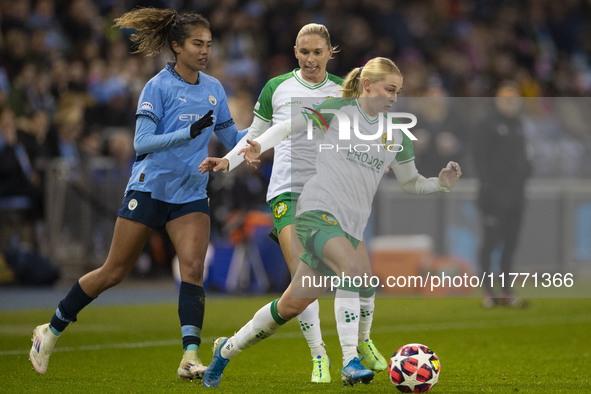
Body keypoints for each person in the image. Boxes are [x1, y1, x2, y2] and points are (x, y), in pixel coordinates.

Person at [199, 57, 462, 387]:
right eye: (389, 89)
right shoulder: (338, 110)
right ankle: (351, 359)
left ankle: (226, 349)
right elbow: (287, 127)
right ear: (367, 85)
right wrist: (256, 145)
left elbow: (411, 183)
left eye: (399, 92)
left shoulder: (396, 136)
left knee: (291, 304)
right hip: (315, 214)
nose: (395, 98)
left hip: (349, 226)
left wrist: (440, 183)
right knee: (353, 272)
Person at [29, 8, 246, 379]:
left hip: (191, 191)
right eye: (197, 43)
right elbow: (141, 141)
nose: (205, 51)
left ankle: (189, 356)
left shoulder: (214, 89)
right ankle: (50, 330)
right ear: (177, 46)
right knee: (114, 271)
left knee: (193, 269)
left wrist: (265, 139)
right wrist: (189, 133)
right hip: (149, 187)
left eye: (209, 44)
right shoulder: (156, 87)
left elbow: (232, 139)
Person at [201, 23, 388, 383]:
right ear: (295, 52)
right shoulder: (278, 88)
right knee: (305, 287)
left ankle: (357, 349)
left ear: (330, 53)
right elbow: (255, 136)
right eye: (304, 51)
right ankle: (320, 355)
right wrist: (229, 160)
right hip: (289, 191)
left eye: (318, 51)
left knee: (361, 273)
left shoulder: (342, 91)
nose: (310, 58)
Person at [473, 81, 531, 308]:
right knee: (490, 241)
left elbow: (526, 157)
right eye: (506, 99)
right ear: (497, 100)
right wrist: (488, 189)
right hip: (494, 195)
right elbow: (480, 159)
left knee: (511, 243)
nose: (510, 103)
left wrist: (527, 172)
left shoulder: (519, 125)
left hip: (516, 195)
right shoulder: (487, 125)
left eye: (514, 99)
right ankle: (488, 291)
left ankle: (507, 291)